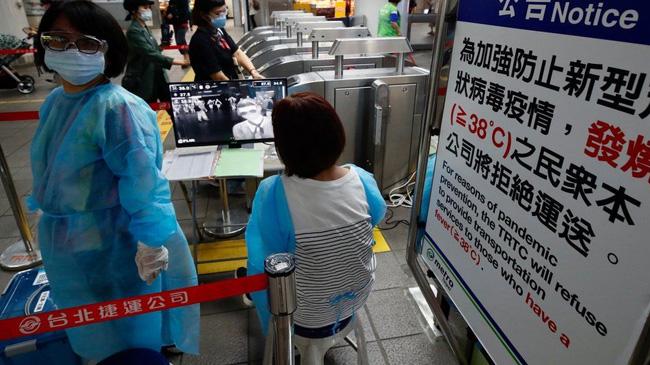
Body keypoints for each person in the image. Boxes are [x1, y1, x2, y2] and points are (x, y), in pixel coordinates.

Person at [31, 1, 199, 362]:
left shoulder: (118, 108)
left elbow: (144, 184)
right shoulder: (57, 102)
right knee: (89, 331)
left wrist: (152, 242)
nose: (71, 51)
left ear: (108, 51)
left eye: (87, 43)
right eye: (58, 40)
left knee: (126, 339)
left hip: (115, 247)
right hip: (67, 245)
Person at [245, 92, 387, 335]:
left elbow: (266, 259)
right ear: (336, 134)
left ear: (284, 147)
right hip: (355, 300)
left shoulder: (274, 192)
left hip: (303, 316)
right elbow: (377, 215)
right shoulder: (360, 178)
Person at [122, 0, 188, 103]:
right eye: (145, 7)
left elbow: (153, 50)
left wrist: (162, 46)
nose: (148, 10)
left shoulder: (144, 27)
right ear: (133, 10)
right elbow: (149, 53)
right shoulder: (133, 31)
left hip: (157, 74)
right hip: (145, 78)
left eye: (149, 7)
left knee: (171, 105)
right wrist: (180, 62)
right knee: (148, 109)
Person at [189, 0, 263, 81]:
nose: (222, 16)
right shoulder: (200, 40)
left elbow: (237, 52)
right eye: (218, 13)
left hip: (229, 83)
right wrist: (237, 88)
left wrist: (253, 72)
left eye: (224, 11)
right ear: (204, 15)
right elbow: (218, 76)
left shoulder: (219, 30)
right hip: (214, 88)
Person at [166, 0, 191, 65]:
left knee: (180, 40)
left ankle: (187, 59)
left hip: (183, 24)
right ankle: (187, 58)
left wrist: (173, 14)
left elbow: (186, 13)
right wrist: (168, 14)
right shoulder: (171, 1)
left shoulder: (183, 1)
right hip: (176, 24)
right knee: (179, 41)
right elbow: (169, 10)